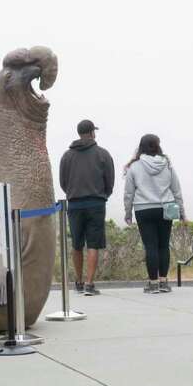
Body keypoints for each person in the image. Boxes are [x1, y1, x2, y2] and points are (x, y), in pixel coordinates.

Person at [123, 133, 185, 294]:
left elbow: (129, 193)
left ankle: (153, 283)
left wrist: (128, 212)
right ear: (158, 146)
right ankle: (164, 282)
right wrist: (182, 212)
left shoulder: (134, 167)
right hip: (167, 207)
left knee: (150, 246)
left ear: (141, 147)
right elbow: (176, 190)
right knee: (163, 245)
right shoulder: (167, 165)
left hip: (143, 209)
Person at [59, 119, 114, 296]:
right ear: (91, 132)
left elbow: (63, 182)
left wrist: (73, 193)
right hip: (96, 203)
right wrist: (103, 195)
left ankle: (79, 282)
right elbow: (110, 181)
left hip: (74, 203)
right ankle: (90, 284)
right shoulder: (103, 154)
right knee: (93, 244)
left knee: (76, 244)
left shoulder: (67, 156)